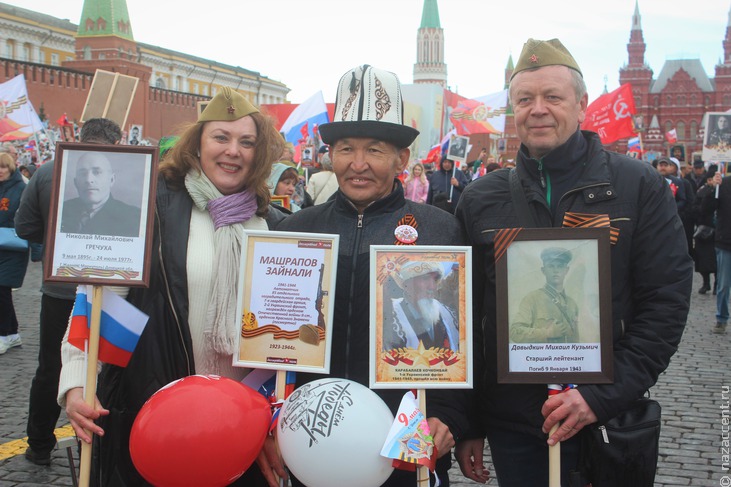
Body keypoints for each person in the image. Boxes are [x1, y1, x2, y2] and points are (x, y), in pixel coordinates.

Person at [454, 38, 692, 486]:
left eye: (553, 97)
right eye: (525, 99)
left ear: (582, 105)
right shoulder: (480, 198)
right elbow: (468, 322)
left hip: (605, 420)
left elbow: (666, 304)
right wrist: (470, 423)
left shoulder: (638, 187)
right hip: (515, 427)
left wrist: (601, 396)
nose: (537, 109)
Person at [58, 87, 288, 486]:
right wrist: (78, 381)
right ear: (197, 145)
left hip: (244, 427)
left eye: (246, 142)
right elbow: (103, 301)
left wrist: (273, 421)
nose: (233, 150)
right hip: (160, 418)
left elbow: (287, 340)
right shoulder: (152, 212)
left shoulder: (275, 226)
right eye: (221, 138)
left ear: (260, 153)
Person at [276, 64, 478, 486]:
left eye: (375, 149)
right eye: (346, 148)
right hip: (313, 438)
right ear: (331, 155)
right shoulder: (297, 230)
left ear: (401, 158)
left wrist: (451, 416)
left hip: (404, 434)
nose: (358, 164)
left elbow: (460, 336)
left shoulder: (441, 230)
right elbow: (275, 344)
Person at [15, 117, 123, 466]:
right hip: (114, 289)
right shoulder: (124, 170)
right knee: (110, 364)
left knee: (50, 366)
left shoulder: (46, 172)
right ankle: (105, 444)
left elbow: (25, 226)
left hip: (59, 288)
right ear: (118, 143)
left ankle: (39, 443)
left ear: (80, 137)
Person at [0, 153, 38, 354]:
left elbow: (31, 216)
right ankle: (13, 333)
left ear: (11, 168)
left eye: (3, 167)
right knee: (2, 292)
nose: (0, 171)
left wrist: (38, 250)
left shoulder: (22, 189)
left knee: (2, 290)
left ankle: (3, 335)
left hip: (13, 247)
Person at [59, 152, 141, 236]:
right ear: (75, 182)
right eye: (83, 173)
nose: (88, 179)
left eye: (97, 172)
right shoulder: (60, 211)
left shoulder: (134, 218)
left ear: (111, 180)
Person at [384, 261, 459, 352]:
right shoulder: (390, 316)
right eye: (425, 278)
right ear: (406, 284)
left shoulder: (447, 314)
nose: (432, 287)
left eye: (435, 279)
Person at [510, 247, 578, 343]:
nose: (556, 270)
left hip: (567, 358)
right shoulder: (532, 299)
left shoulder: (572, 304)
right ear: (543, 270)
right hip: (542, 357)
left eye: (560, 266)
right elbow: (514, 332)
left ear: (566, 270)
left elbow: (576, 341)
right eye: (551, 266)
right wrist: (547, 333)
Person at [699, 168, 731, 334]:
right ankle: (721, 318)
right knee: (724, 285)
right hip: (726, 241)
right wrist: (713, 189)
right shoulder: (723, 184)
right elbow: (706, 210)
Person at [693, 164, 717, 295]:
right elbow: (696, 208)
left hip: (718, 230)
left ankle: (717, 282)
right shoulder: (702, 191)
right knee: (703, 259)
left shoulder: (723, 190)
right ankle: (705, 282)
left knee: (717, 260)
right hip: (703, 229)